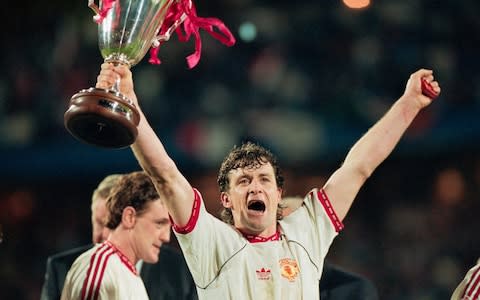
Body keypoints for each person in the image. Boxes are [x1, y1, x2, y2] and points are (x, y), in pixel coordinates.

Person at [96, 63, 440, 299]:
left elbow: (358, 166)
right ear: (226, 199)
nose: (255, 186)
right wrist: (129, 104)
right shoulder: (211, 242)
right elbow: (166, 176)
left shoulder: (306, 232)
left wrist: (409, 104)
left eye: (263, 179)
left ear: (278, 193)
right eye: (243, 181)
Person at [42, 172, 196, 300]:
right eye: (159, 224)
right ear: (129, 217)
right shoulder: (101, 268)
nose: (166, 237)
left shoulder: (123, 271)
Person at [282, 196, 379, 299]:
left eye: (295, 232)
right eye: (280, 233)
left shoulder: (354, 288)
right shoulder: (266, 282)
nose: (288, 241)